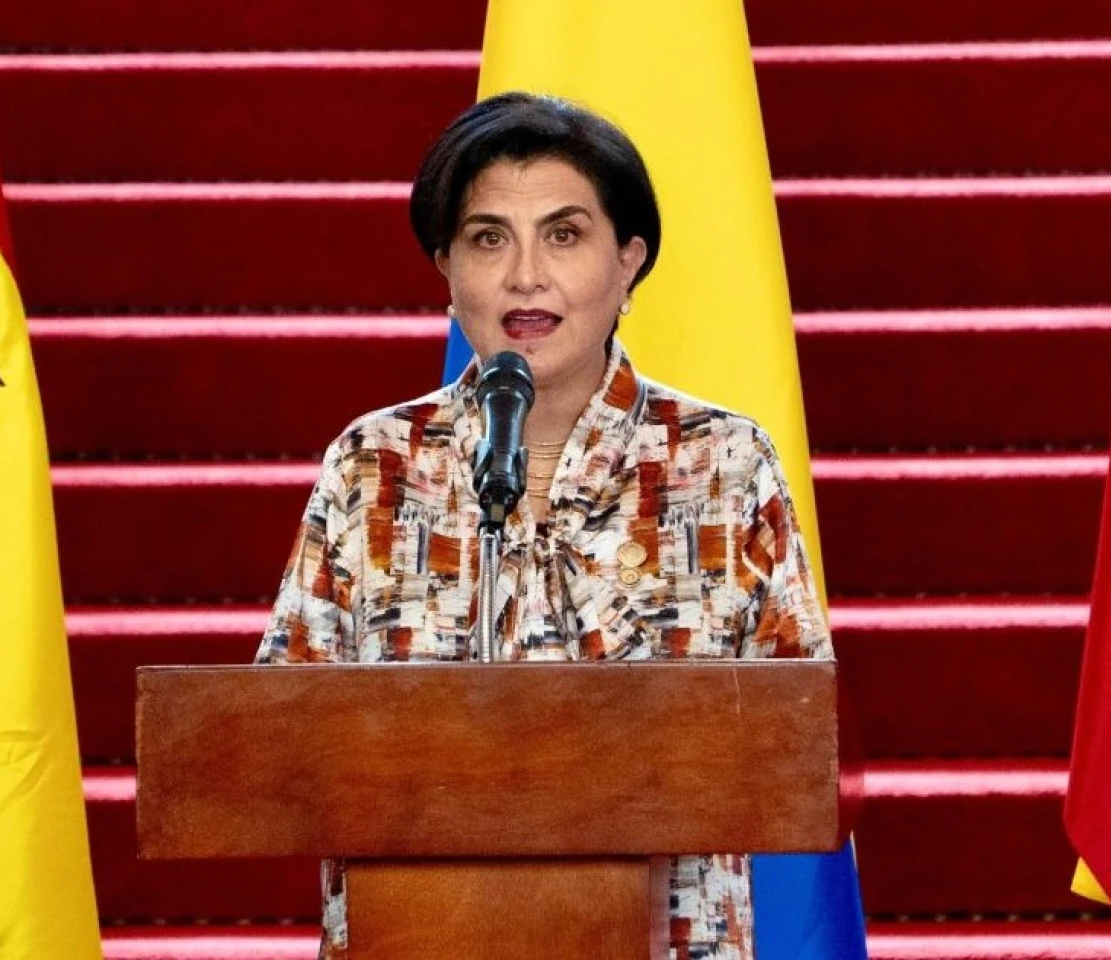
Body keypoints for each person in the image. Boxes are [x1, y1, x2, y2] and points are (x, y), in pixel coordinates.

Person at [256, 91, 832, 960]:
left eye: (564, 235)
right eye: (489, 239)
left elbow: (797, 740)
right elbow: (279, 740)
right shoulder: (374, 466)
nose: (526, 276)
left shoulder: (724, 464)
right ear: (447, 268)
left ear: (629, 262)